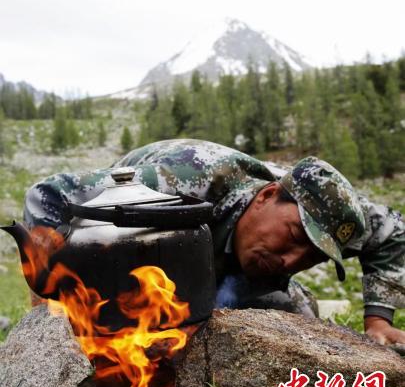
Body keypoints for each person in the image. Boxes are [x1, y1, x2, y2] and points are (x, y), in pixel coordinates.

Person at [24, 138, 405, 346]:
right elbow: (47, 195)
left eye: (312, 257)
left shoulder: (328, 212)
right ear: (268, 195)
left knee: (297, 316)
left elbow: (393, 231)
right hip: (144, 253)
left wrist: (379, 320)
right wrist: (53, 300)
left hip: (228, 270)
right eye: (292, 236)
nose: (292, 260)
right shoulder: (182, 180)